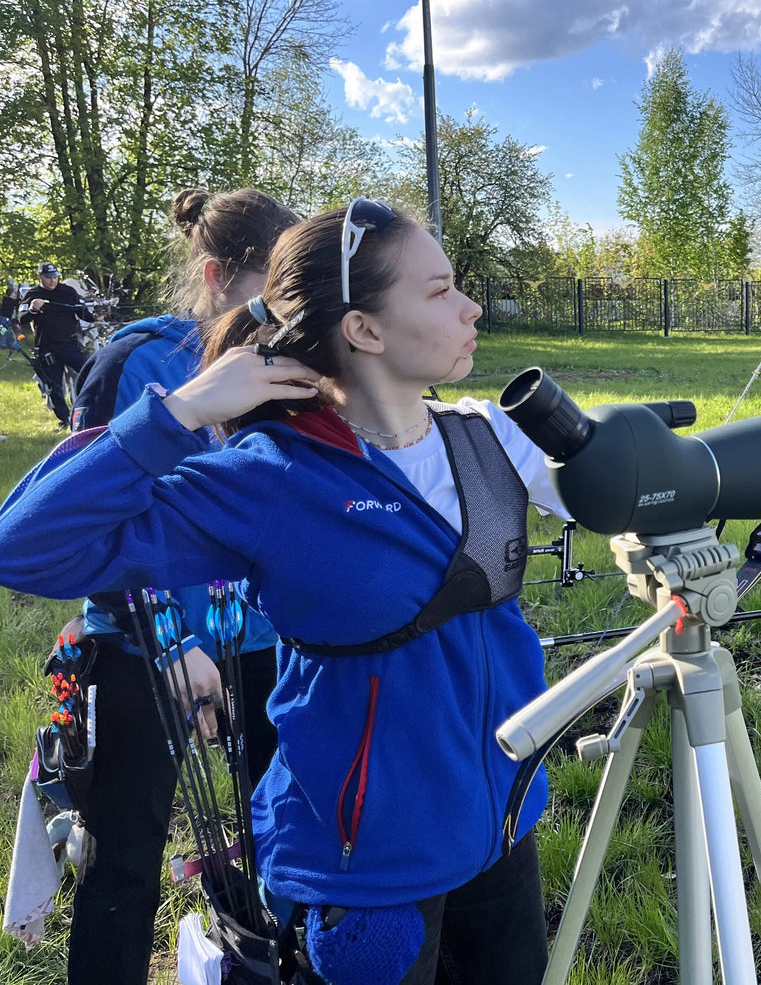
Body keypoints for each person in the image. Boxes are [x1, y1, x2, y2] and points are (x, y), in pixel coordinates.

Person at [0, 199, 567, 985]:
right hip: (363, 863)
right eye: (438, 292)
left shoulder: (487, 433)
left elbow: (657, 483)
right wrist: (186, 410)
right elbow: (25, 546)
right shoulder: (270, 477)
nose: (470, 306)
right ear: (364, 331)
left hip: (501, 824)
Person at [61, 187, 299, 985]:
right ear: (214, 275)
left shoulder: (287, 362)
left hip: (271, 644)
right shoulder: (139, 362)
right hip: (146, 650)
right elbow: (94, 516)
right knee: (125, 862)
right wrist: (175, 642)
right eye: (272, 288)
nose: (284, 311)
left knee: (288, 840)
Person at [19, 261, 94, 429]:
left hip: (70, 344)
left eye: (55, 277)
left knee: (90, 372)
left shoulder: (68, 291)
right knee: (54, 386)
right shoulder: (33, 294)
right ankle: (65, 419)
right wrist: (32, 309)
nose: (52, 281)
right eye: (48, 277)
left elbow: (84, 313)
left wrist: (97, 314)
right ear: (40, 276)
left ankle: (90, 411)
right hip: (47, 348)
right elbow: (22, 318)